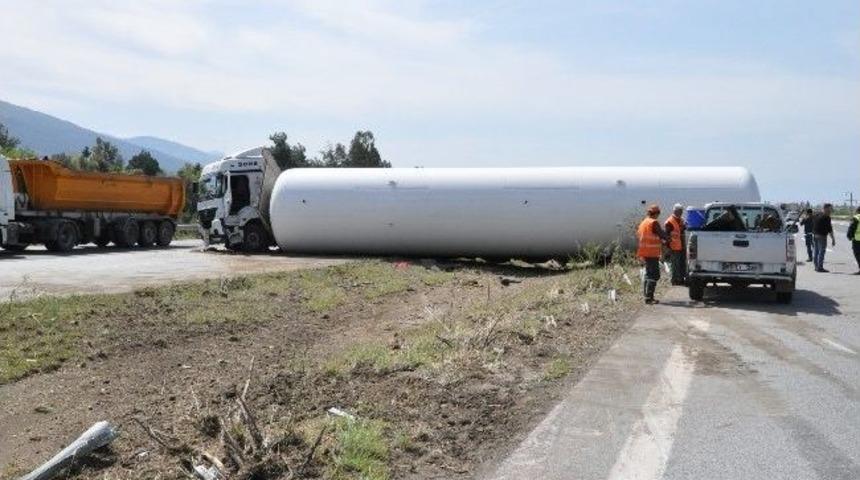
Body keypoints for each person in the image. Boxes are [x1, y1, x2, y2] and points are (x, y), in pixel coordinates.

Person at [637, 204, 668, 304]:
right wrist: (669, 239)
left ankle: (646, 295)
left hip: (644, 252)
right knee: (654, 275)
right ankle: (649, 298)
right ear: (656, 213)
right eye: (658, 214)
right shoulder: (653, 223)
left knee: (648, 273)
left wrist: (660, 241)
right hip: (651, 253)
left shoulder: (644, 222)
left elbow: (647, 236)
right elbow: (662, 234)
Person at [663, 203, 687, 285]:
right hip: (674, 247)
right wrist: (667, 248)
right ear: (675, 211)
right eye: (680, 211)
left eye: (682, 211)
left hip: (681, 247)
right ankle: (674, 280)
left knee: (681, 264)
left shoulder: (681, 220)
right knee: (674, 265)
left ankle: (680, 279)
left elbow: (682, 230)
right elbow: (666, 236)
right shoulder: (669, 222)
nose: (681, 213)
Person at [812, 204, 836, 272]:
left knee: (816, 251)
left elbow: (813, 222)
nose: (830, 210)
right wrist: (833, 239)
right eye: (829, 209)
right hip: (822, 236)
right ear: (825, 208)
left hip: (815, 235)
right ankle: (819, 267)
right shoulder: (827, 217)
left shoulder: (817, 215)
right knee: (821, 252)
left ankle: (816, 266)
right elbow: (830, 229)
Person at [848, 206, 860, 275]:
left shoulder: (856, 218)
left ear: (857, 211)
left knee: (857, 254)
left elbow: (851, 228)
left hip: (857, 240)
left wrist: (849, 236)